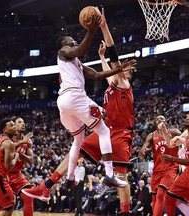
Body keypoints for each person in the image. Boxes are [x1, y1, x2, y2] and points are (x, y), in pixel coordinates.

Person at [22, 7, 137, 216]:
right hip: (102, 124)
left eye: (126, 70)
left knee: (122, 175)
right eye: (123, 68)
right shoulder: (113, 81)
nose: (124, 69)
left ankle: (125, 212)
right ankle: (48, 184)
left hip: (120, 132)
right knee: (81, 145)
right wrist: (103, 56)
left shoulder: (123, 83)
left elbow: (113, 55)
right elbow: (102, 73)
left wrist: (103, 28)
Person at [139, 115, 180, 216]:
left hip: (171, 168)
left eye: (162, 119)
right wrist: (143, 150)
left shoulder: (174, 132)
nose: (160, 120)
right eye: (158, 119)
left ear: (165, 122)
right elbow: (145, 146)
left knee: (161, 194)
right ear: (155, 123)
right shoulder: (152, 135)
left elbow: (180, 137)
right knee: (155, 199)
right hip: (157, 171)